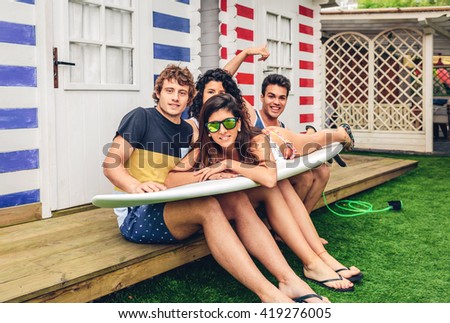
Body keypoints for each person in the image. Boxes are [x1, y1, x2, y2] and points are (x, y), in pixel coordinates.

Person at [102, 64, 330, 303]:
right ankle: (269, 294)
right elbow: (111, 165)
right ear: (158, 92)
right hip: (138, 213)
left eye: (182, 92)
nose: (175, 98)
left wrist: (224, 168)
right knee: (208, 207)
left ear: (191, 97)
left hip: (172, 204)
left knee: (236, 198)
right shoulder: (141, 117)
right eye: (169, 90)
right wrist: (135, 186)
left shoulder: (189, 131)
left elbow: (198, 166)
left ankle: (288, 280)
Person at [187, 69, 363, 284]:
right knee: (282, 185)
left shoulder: (236, 121)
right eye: (210, 92)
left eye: (221, 92)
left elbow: (259, 164)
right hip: (258, 167)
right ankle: (315, 260)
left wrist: (229, 163)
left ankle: (340, 134)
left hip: (273, 143)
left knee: (310, 144)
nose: (215, 96)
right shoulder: (198, 126)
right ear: (200, 96)